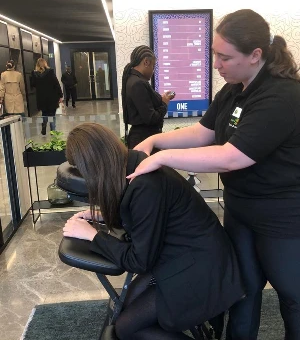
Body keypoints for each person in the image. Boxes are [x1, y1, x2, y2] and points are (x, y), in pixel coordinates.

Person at [127, 9, 300, 340]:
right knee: (242, 292)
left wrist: (162, 158)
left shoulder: (281, 95)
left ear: (255, 55)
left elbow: (231, 157)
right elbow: (203, 132)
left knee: (293, 297)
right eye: (215, 55)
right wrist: (153, 140)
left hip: (282, 219)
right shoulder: (234, 88)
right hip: (240, 210)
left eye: (225, 57)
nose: (216, 64)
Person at [63, 123, 244, 340]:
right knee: (127, 305)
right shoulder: (131, 164)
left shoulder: (146, 184)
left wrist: (93, 235)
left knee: (127, 328)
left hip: (201, 269)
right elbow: (143, 215)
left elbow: (139, 261)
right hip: (179, 256)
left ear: (93, 166)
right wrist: (102, 215)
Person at [121, 45, 175, 149]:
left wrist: (162, 98)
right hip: (145, 140)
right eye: (153, 66)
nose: (153, 70)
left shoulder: (133, 80)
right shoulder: (138, 83)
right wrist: (164, 104)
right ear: (146, 62)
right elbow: (151, 119)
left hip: (141, 138)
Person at [31, 58, 63, 135]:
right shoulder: (50, 72)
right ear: (45, 63)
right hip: (52, 97)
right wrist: (60, 95)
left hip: (41, 97)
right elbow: (56, 84)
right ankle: (53, 130)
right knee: (52, 114)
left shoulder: (34, 73)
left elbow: (33, 85)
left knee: (44, 113)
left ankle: (44, 126)